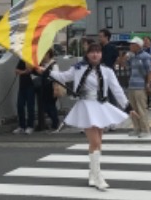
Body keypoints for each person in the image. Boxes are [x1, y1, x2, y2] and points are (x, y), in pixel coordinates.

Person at [40, 42, 136, 191]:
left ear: (101, 54)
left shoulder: (107, 71)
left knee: (99, 142)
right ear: (87, 54)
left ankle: (92, 173)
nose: (95, 54)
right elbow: (62, 76)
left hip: (101, 106)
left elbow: (117, 90)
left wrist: (128, 106)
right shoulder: (78, 68)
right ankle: (98, 177)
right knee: (95, 142)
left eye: (98, 52)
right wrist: (45, 70)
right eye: (92, 52)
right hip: (86, 106)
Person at [125, 37, 151, 138]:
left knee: (141, 108)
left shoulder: (145, 56)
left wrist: (148, 84)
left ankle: (145, 129)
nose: (130, 46)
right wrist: (126, 58)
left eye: (132, 44)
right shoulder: (132, 56)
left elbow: (149, 71)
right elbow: (127, 66)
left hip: (140, 85)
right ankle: (137, 128)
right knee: (133, 108)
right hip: (132, 85)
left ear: (138, 45)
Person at [38, 50, 60, 132]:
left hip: (51, 87)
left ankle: (55, 123)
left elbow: (56, 78)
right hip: (44, 88)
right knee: (46, 106)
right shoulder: (42, 64)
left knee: (51, 106)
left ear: (48, 55)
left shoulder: (53, 64)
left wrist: (56, 89)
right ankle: (54, 122)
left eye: (45, 54)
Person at [14, 59, 36, 134]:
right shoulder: (22, 59)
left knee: (30, 106)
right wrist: (24, 72)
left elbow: (32, 70)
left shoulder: (34, 59)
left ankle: (30, 126)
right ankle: (21, 126)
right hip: (22, 86)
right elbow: (17, 71)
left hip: (31, 86)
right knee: (20, 105)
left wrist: (24, 71)